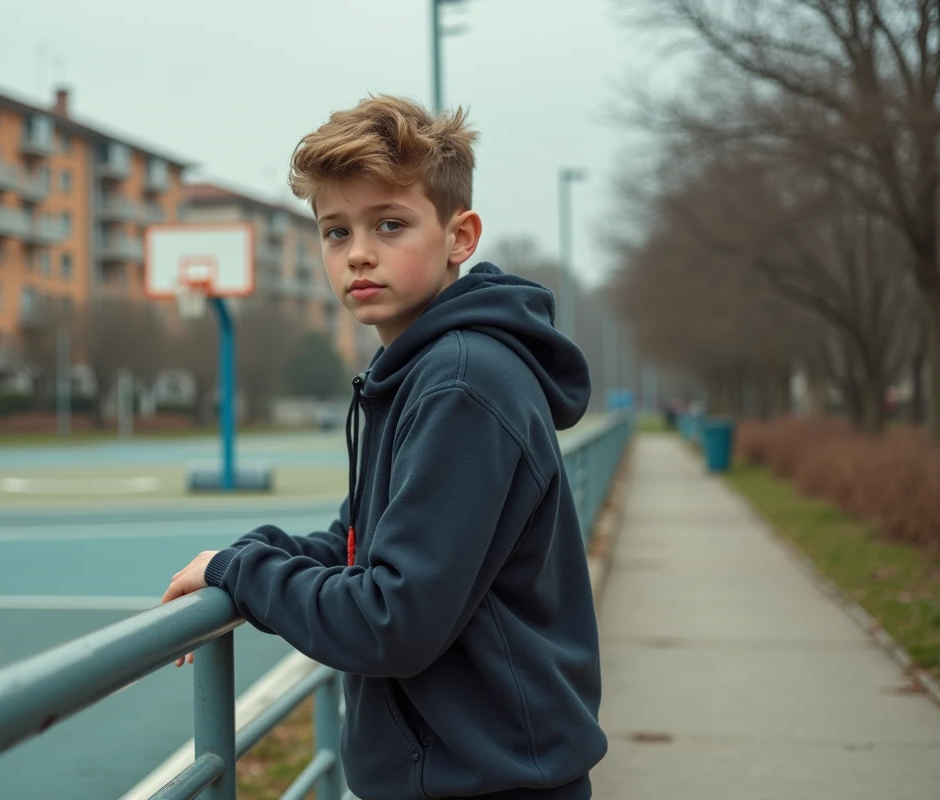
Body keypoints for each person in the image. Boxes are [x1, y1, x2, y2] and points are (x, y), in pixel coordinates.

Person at [161, 95, 606, 800]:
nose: (359, 252)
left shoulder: (461, 383)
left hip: (487, 782)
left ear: (461, 237)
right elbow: (356, 543)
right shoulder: (417, 373)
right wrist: (244, 558)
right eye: (336, 232)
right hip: (469, 773)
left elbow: (391, 621)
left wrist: (243, 576)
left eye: (389, 224)